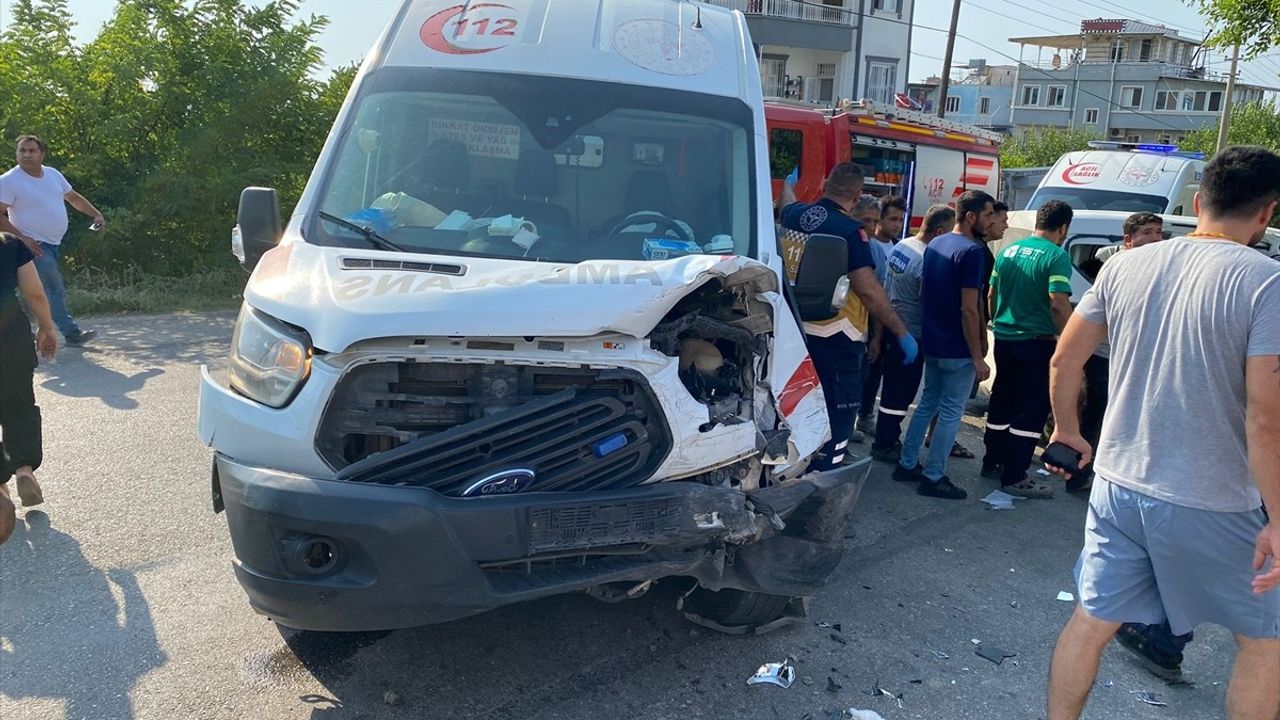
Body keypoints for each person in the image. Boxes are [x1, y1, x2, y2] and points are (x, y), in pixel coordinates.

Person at [1043, 146, 1280, 720]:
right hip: (1216, 498)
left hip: (1119, 484)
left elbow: (1064, 362)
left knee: (1092, 621)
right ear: (1266, 214)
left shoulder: (1126, 264)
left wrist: (1069, 431)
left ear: (1198, 202)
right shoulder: (1266, 282)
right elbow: (1265, 415)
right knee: (1264, 644)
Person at [779, 163, 918, 471]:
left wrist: (789, 185)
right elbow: (868, 289)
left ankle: (789, 466)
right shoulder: (848, 232)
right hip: (836, 339)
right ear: (857, 196)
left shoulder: (795, 215)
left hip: (793, 332)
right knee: (838, 414)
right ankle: (827, 476)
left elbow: (786, 203)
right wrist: (901, 332)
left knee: (794, 407)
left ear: (826, 183)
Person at [893, 191, 995, 500]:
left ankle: (907, 463)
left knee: (927, 404)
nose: (991, 221)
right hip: (957, 347)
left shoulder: (936, 244)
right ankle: (934, 476)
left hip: (934, 342)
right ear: (971, 216)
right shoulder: (972, 252)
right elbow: (969, 308)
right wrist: (977, 356)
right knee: (951, 412)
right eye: (989, 215)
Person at [980, 200, 1075, 499]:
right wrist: (1071, 337)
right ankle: (1015, 475)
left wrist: (998, 320)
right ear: (1063, 228)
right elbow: (1058, 301)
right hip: (1036, 342)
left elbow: (992, 294)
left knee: (1002, 401)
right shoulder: (1057, 257)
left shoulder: (1008, 251)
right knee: (1030, 409)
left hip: (1005, 338)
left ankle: (991, 461)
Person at [1074, 212, 1165, 494]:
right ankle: (1078, 475)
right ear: (1129, 239)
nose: (1154, 238)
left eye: (1158, 232)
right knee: (1096, 416)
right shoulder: (1117, 266)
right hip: (1105, 355)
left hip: (1135, 357)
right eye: (1147, 232)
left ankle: (1111, 477)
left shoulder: (1159, 265)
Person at [0, 135, 105, 346]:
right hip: (32, 246)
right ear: (17, 154)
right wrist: (23, 239)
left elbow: (73, 198)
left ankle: (22, 332)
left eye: (32, 150)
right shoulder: (9, 181)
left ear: (42, 154)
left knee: (31, 290)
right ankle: (71, 333)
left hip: (52, 244)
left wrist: (96, 214)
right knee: (53, 287)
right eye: (22, 151)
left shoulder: (53, 175)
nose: (27, 154)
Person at [871, 204, 955, 463]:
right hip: (910, 334)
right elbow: (930, 303)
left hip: (891, 325)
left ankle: (885, 438)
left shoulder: (903, 246)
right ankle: (885, 443)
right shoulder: (925, 259)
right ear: (940, 231)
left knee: (891, 391)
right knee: (900, 395)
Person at [1, 232, 58, 544]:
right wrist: (47, 327)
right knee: (19, 404)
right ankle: (24, 470)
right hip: (11, 337)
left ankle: (0, 487)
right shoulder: (10, 245)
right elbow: (35, 293)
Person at [857, 196, 909, 441]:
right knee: (866, 371)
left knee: (876, 373)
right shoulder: (869, 246)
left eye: (900, 219)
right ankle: (861, 415)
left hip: (889, 320)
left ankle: (865, 415)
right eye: (892, 219)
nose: (896, 224)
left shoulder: (900, 247)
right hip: (868, 319)